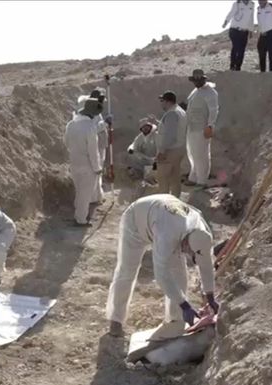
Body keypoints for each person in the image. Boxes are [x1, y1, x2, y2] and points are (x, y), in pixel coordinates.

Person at [106, 194, 218, 337]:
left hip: (159, 216)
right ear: (184, 242)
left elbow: (206, 264)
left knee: (180, 275)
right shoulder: (168, 235)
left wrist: (210, 295)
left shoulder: (202, 232)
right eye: (187, 250)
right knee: (127, 271)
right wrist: (184, 304)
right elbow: (161, 274)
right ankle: (116, 319)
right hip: (136, 221)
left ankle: (175, 320)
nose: (186, 254)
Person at [65, 97, 102, 227]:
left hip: (74, 163)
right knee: (85, 194)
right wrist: (97, 167)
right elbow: (93, 150)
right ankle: (81, 219)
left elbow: (66, 143)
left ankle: (78, 215)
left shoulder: (70, 124)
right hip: (87, 165)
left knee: (79, 191)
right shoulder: (90, 127)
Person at [185, 70, 219, 188]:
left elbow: (213, 110)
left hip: (202, 128)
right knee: (193, 153)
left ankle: (202, 181)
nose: (197, 82)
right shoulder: (195, 91)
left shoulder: (210, 92)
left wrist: (210, 125)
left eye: (199, 80)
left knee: (201, 154)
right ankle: (193, 177)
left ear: (204, 79)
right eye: (195, 80)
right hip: (192, 127)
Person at [154, 91, 188, 197]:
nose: (161, 104)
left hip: (170, 151)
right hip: (179, 149)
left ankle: (164, 205)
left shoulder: (172, 113)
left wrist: (162, 151)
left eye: (162, 101)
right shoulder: (180, 111)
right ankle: (175, 202)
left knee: (163, 179)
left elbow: (170, 136)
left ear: (167, 101)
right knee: (175, 178)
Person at [223, 0, 256, 71]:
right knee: (236, 47)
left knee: (242, 49)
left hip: (244, 31)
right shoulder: (237, 4)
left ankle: (238, 67)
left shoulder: (252, 4)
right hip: (234, 30)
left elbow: (251, 18)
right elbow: (231, 13)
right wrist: (226, 22)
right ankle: (232, 65)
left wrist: (251, 30)